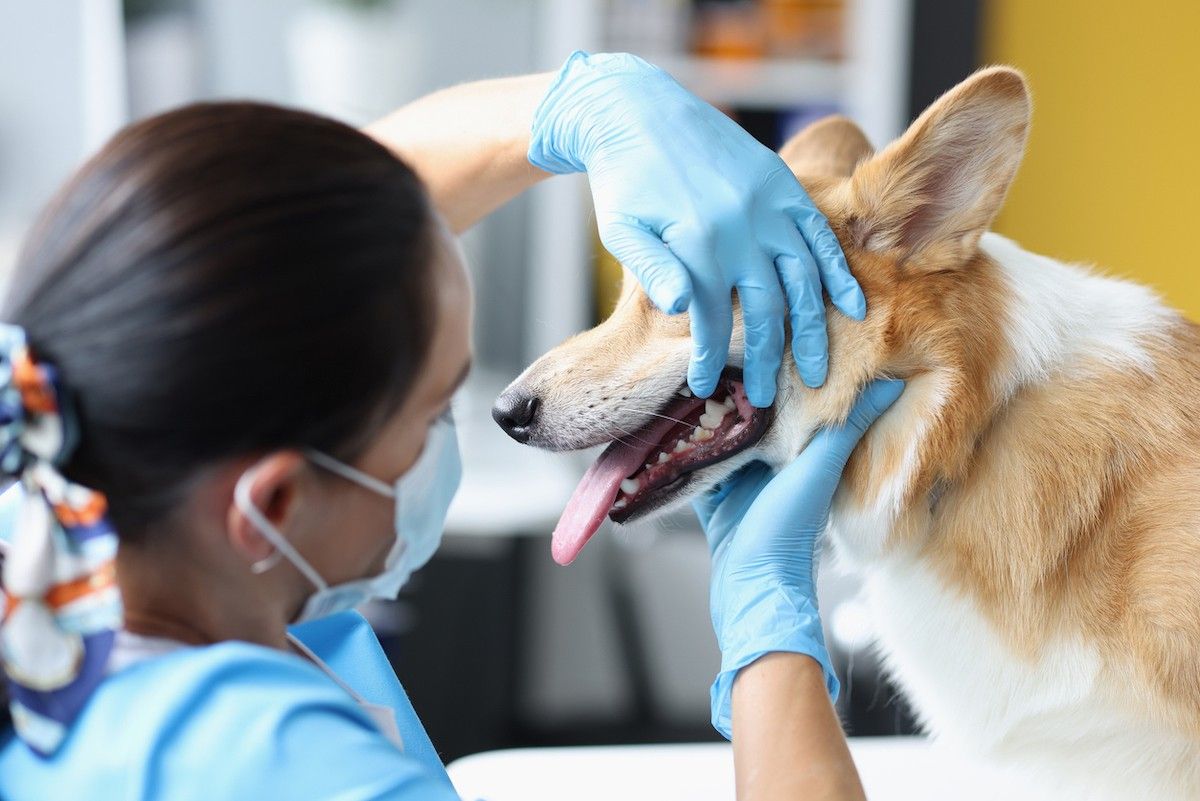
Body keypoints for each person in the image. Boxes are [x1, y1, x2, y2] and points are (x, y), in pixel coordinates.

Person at [0, 52, 900, 800]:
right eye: (434, 411)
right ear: (271, 502)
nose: (458, 436)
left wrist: (591, 103)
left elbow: (283, 239)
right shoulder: (284, 767)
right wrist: (768, 631)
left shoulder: (65, 515)